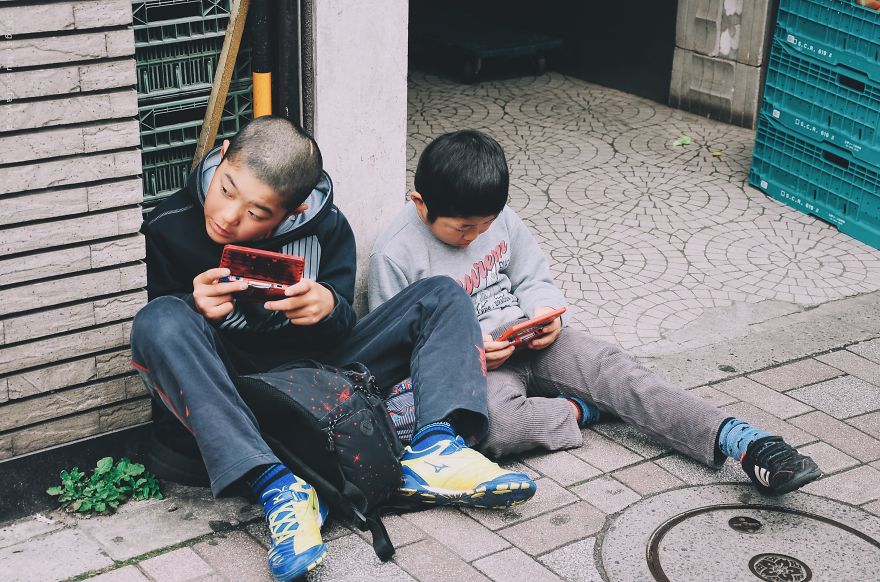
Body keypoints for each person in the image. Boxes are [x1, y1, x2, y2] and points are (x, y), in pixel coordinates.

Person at [130, 118, 535, 582]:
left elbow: (342, 332)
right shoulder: (170, 226)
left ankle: (437, 447)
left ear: (294, 207)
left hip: (317, 375)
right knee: (158, 319)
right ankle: (277, 486)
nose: (228, 215)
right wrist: (193, 305)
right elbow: (164, 350)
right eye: (226, 189)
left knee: (441, 294)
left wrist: (329, 307)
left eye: (258, 213)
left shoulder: (327, 228)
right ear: (222, 156)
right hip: (230, 389)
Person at [367, 129, 822, 498]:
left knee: (622, 373)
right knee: (493, 428)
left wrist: (547, 314)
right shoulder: (395, 253)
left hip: (533, 341)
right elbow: (395, 349)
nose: (475, 237)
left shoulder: (499, 218)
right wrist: (471, 355)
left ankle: (746, 442)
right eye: (464, 228)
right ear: (420, 203)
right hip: (480, 368)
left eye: (484, 227)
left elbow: (532, 276)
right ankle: (582, 410)